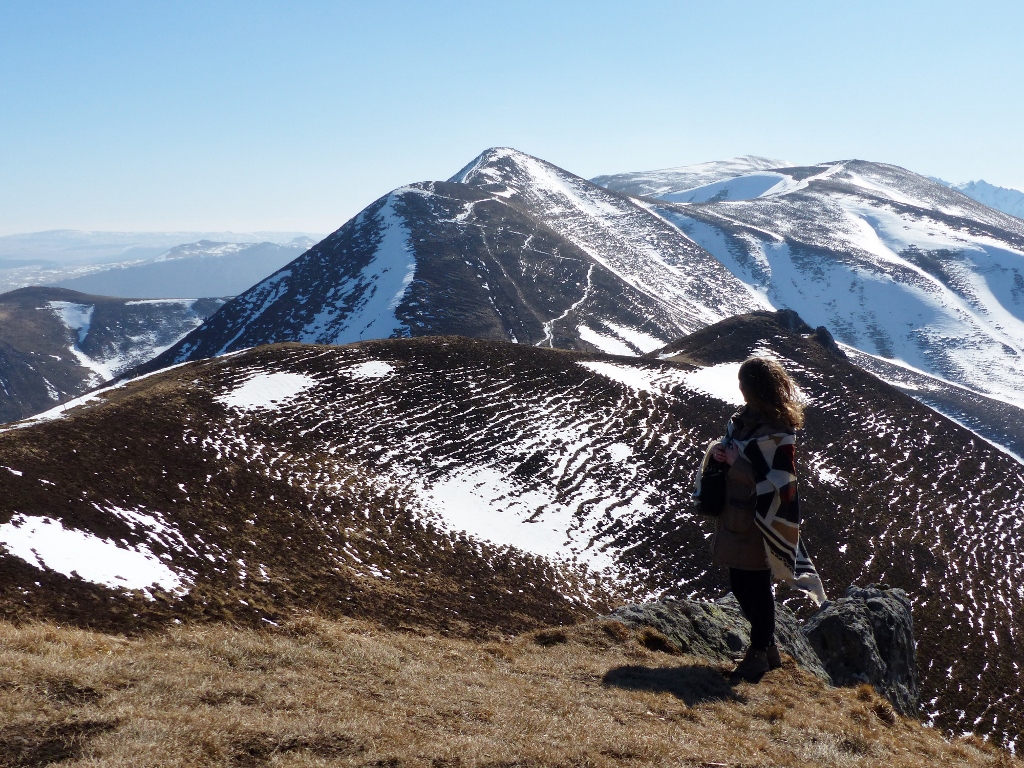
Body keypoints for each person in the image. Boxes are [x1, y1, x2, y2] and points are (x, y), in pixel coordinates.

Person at [709, 356, 826, 682]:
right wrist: (722, 454)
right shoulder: (742, 420)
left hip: (760, 522)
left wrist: (737, 463)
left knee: (756, 588)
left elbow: (779, 484)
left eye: (744, 383)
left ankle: (759, 654)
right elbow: (739, 455)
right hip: (736, 516)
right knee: (740, 584)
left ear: (754, 387)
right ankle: (767, 649)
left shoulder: (777, 431)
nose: (740, 388)